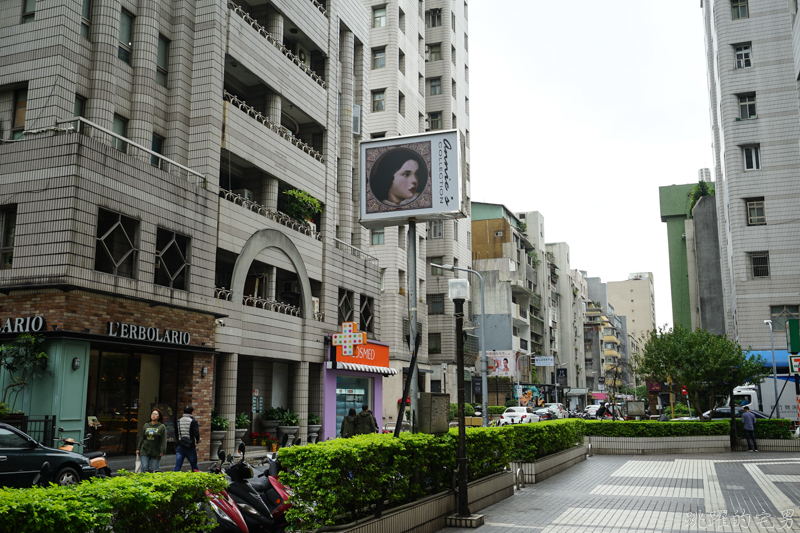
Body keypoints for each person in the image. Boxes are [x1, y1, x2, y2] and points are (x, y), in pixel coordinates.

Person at [136, 408, 167, 472]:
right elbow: (142, 437)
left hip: (156, 451)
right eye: (152, 414)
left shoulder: (161, 426)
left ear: (159, 416)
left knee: (154, 469)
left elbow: (163, 439)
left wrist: (163, 450)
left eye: (156, 414)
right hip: (144, 449)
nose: (153, 415)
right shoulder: (146, 425)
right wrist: (138, 448)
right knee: (144, 468)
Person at [174, 405, 201, 471]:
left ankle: (173, 479)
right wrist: (198, 440)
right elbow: (196, 433)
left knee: (178, 465)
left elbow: (176, 432)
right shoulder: (193, 421)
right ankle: (196, 479)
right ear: (192, 412)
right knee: (194, 466)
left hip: (180, 445)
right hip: (190, 446)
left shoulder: (178, 421)